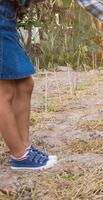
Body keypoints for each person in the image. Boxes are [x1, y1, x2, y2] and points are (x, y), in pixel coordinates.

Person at [0, 0, 57, 170]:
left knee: (25, 84)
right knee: (4, 90)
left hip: (6, 18)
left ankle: (24, 147)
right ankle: (19, 155)